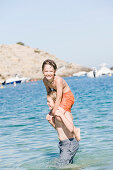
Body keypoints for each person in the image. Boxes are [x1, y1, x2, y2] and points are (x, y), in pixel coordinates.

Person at [42, 59, 80, 141]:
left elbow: (59, 97)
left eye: (51, 71)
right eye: (46, 71)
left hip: (67, 97)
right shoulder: (45, 80)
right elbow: (49, 92)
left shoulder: (58, 80)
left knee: (58, 114)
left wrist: (53, 112)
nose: (48, 73)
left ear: (55, 71)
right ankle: (64, 133)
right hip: (58, 98)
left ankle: (74, 130)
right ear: (42, 71)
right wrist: (51, 104)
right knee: (49, 118)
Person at [46, 91, 79, 165]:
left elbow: (71, 129)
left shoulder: (65, 112)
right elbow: (60, 130)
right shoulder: (55, 114)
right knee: (68, 165)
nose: (47, 103)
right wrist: (51, 121)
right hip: (63, 144)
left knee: (61, 166)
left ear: (56, 101)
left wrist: (61, 115)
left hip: (69, 143)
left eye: (49, 102)